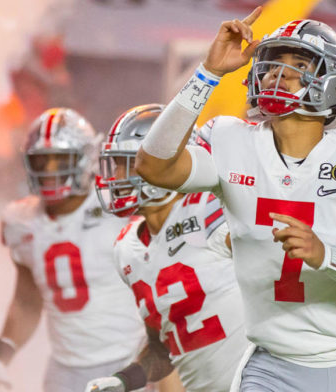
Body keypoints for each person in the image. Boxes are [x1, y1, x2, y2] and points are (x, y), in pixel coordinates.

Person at [135, 8, 336, 391]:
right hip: (270, 367)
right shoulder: (230, 139)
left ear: (333, 80)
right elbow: (153, 165)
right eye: (272, 63)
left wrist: (326, 256)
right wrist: (209, 72)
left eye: (298, 63)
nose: (278, 73)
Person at [84, 104, 248, 392]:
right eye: (116, 164)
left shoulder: (212, 210)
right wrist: (124, 380)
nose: (118, 176)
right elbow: (164, 347)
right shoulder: (127, 247)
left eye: (130, 162)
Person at [0, 108, 146, 392]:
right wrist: (0, 355)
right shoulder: (20, 221)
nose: (49, 170)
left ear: (86, 158)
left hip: (127, 360)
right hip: (63, 370)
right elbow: (28, 299)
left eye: (60, 159)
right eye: (42, 161)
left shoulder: (118, 208)